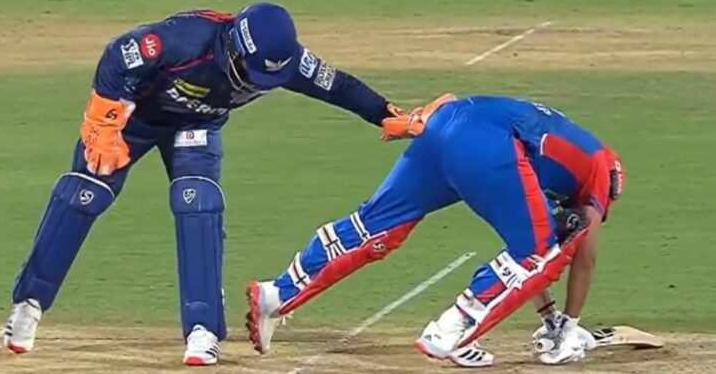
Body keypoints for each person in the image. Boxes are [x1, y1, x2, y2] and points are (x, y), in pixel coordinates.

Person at [3, 2, 415, 366]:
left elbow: (337, 86)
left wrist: (385, 114)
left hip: (196, 125)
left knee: (197, 204)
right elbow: (120, 53)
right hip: (133, 119)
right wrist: (102, 119)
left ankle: (203, 330)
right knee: (84, 194)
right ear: (233, 47)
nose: (256, 83)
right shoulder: (186, 40)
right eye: (251, 71)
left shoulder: (283, 60)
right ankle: (29, 303)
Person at [245, 94, 625, 367]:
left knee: (374, 225)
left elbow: (519, 230)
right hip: (486, 143)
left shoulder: (562, 151)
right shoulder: (598, 170)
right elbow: (584, 256)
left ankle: (277, 293)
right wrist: (568, 327)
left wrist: (549, 316)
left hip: (444, 121)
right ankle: (450, 332)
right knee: (542, 248)